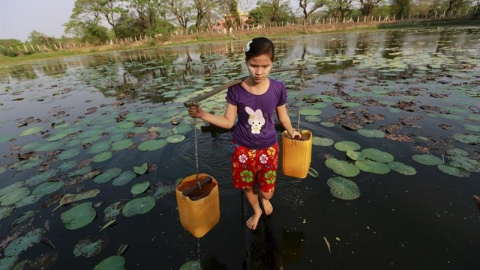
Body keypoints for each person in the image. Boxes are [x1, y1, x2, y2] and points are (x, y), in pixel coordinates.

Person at [188, 37, 301, 230]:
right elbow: (228, 122)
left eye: (265, 66)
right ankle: (256, 210)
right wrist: (202, 114)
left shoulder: (278, 88)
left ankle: (264, 199)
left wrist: (291, 131)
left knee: (268, 193)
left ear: (273, 63)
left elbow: (283, 117)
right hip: (242, 149)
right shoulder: (236, 90)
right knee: (248, 186)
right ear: (246, 62)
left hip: (268, 148)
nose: (259, 72)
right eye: (253, 65)